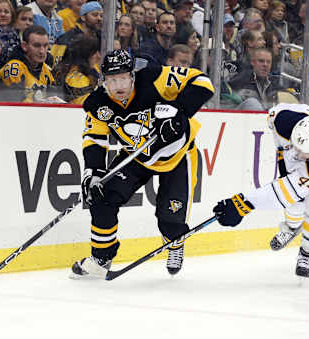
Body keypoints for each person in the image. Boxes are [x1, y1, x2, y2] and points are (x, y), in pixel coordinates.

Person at [71, 49, 214, 279]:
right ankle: (101, 258)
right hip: (136, 156)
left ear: (133, 76)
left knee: (170, 219)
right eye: (112, 80)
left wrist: (179, 112)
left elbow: (203, 81)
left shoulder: (155, 78)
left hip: (177, 155)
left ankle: (175, 244)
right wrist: (93, 172)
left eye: (123, 78)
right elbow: (94, 139)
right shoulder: (97, 104)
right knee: (101, 196)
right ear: (103, 80)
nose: (118, 86)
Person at [212, 103, 309, 278]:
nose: (297, 154)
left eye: (303, 152)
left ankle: (307, 253)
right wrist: (290, 151)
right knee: (294, 197)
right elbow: (275, 118)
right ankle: (291, 228)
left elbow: (285, 192)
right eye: (295, 146)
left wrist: (242, 204)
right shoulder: (282, 119)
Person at [0, 25, 59, 102]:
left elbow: (54, 99)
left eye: (45, 45)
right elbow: (14, 103)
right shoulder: (13, 67)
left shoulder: (46, 69)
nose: (42, 51)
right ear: (24, 46)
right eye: (36, 46)